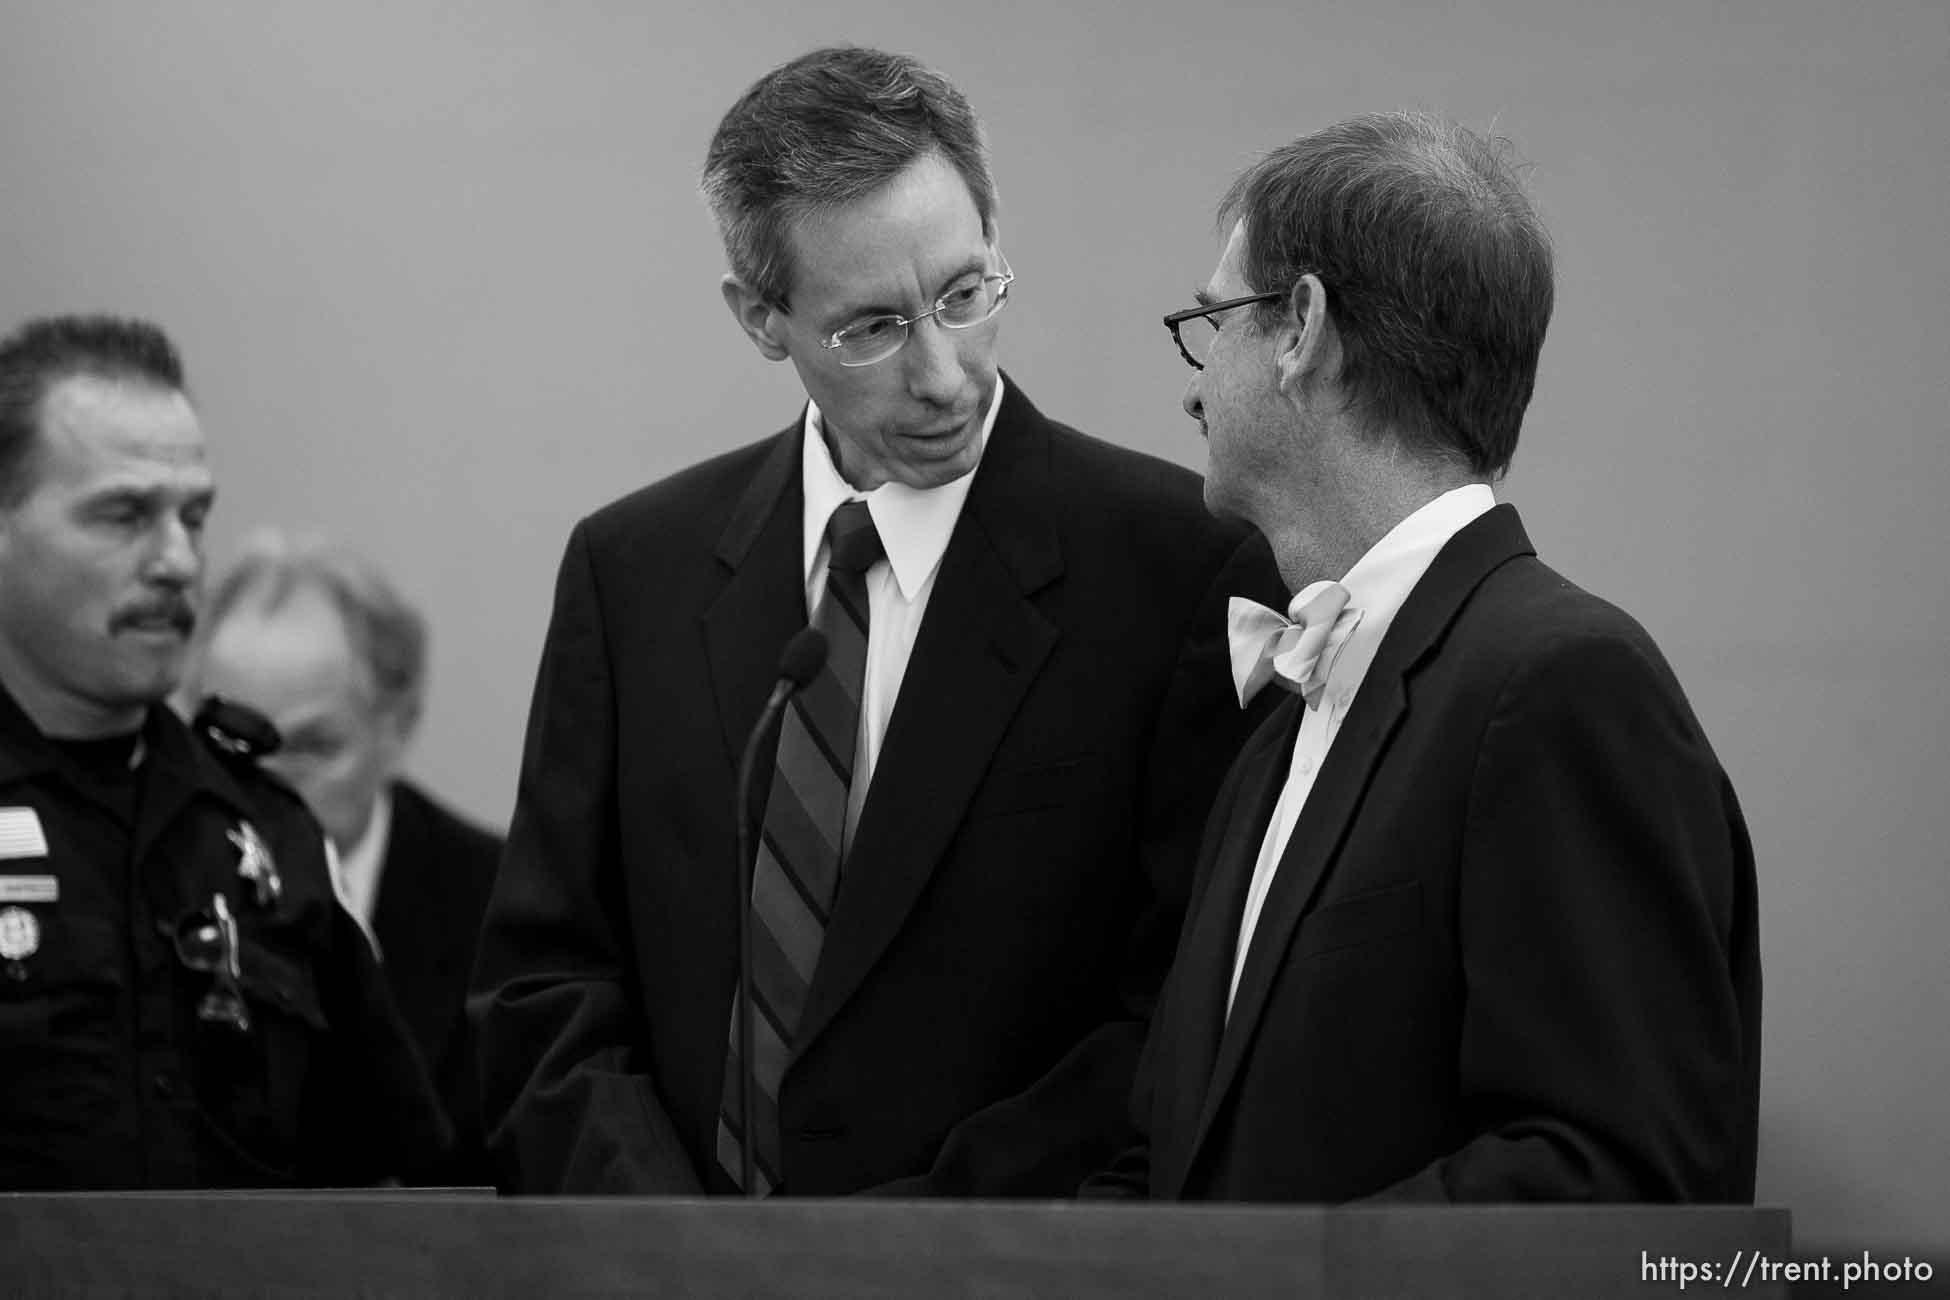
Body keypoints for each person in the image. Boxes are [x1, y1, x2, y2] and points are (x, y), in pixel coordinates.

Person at [470, 45, 1281, 1197]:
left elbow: (1183, 1009)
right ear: (761, 318)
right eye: (874, 329)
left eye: (965, 295)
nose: (946, 375)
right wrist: (673, 1253)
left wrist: (896, 1251)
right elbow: (543, 988)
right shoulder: (631, 571)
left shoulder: (1180, 569)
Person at [1084, 113, 1761, 1202]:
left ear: (1301, 325)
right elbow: (1173, 1164)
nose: (1195, 385)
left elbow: (1620, 1178)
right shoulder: (1273, 738)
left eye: (1213, 322)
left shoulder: (1563, 683)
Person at [0, 313, 449, 1188]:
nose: (176, 561)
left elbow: (410, 1192)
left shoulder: (264, 834)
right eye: (124, 515)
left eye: (194, 517)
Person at [182, 532, 502, 1186]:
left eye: (310, 747)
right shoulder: (158, 886)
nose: (266, 784)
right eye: (231, 747)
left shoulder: (501, 904)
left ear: (396, 727)